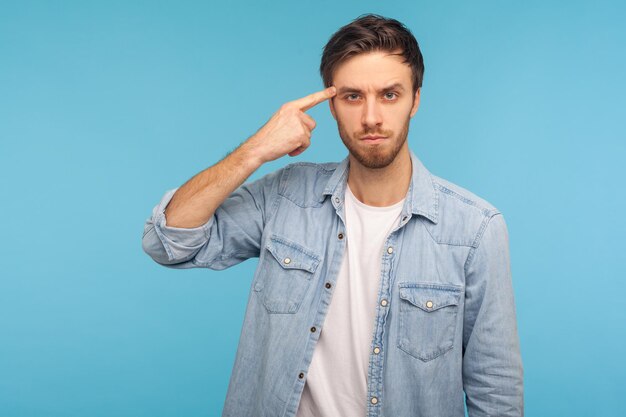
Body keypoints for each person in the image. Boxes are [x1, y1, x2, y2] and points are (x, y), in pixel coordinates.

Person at [142, 13, 523, 417]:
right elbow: (167, 242)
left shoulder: (475, 230)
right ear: (332, 104)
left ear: (416, 100)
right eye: (353, 96)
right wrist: (255, 150)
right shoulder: (285, 196)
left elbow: (495, 388)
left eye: (390, 95)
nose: (371, 117)